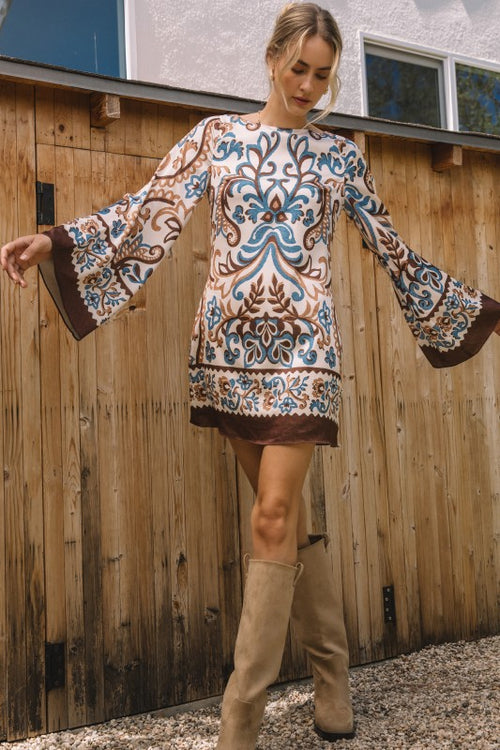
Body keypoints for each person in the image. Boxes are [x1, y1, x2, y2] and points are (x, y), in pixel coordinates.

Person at [2, 3, 499, 747]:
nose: (308, 86)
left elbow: (393, 249)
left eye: (322, 75)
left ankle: (241, 716)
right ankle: (332, 673)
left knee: (270, 516)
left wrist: (475, 310)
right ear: (272, 59)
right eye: (299, 68)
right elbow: (149, 212)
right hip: (227, 353)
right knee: (285, 520)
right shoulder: (217, 138)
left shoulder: (340, 157)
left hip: (305, 355)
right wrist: (55, 241)